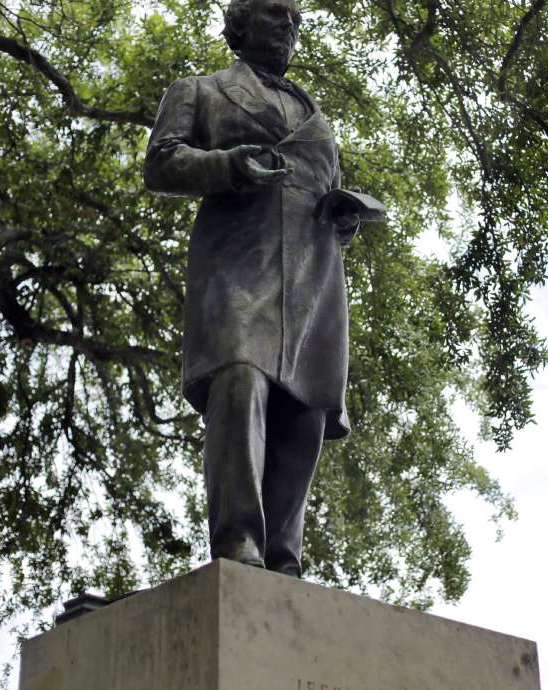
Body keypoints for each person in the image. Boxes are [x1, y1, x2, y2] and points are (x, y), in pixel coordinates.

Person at [144, 0, 363, 577]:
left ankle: (285, 561)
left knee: (307, 407)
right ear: (239, 27)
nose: (289, 30)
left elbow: (324, 184)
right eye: (276, 17)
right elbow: (161, 164)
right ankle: (239, 541)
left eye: (296, 23)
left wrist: (344, 212)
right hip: (239, 259)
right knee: (239, 379)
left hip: (314, 273)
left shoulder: (310, 109)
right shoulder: (199, 89)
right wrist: (229, 165)